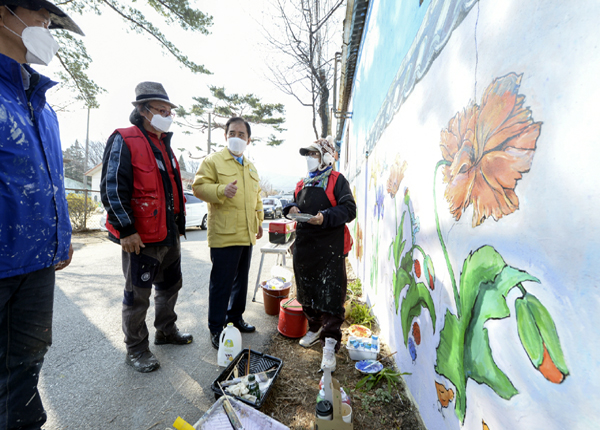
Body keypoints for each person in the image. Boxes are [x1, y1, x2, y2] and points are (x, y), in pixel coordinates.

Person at [0, 1, 81, 428]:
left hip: (37, 266)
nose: (48, 26)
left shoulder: (41, 104)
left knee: (24, 373)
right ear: (3, 13)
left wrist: (61, 235)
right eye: (39, 14)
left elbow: (50, 178)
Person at [100, 82, 192, 374]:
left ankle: (166, 330)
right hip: (140, 238)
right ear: (142, 110)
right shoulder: (124, 139)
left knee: (170, 285)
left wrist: (178, 226)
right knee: (137, 295)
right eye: (160, 110)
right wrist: (125, 229)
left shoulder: (164, 145)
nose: (166, 115)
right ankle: (137, 348)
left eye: (169, 112)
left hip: (168, 235)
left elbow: (171, 190)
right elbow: (113, 187)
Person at [283, 137, 356, 371]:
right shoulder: (302, 183)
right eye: (307, 154)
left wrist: (324, 217)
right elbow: (293, 203)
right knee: (307, 291)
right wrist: (291, 209)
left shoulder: (337, 181)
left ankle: (330, 344)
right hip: (305, 247)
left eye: (314, 154)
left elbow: (349, 209)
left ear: (326, 156)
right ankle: (314, 328)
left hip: (330, 248)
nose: (309, 158)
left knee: (332, 297)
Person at [193, 117, 264, 349]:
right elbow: (199, 187)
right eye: (232, 133)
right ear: (226, 136)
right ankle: (216, 327)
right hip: (224, 235)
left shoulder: (251, 167)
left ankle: (235, 318)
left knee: (241, 281)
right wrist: (222, 190)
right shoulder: (213, 161)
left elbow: (257, 197)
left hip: (246, 233)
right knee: (221, 283)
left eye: (241, 134)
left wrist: (259, 220)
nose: (236, 137)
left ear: (248, 140)